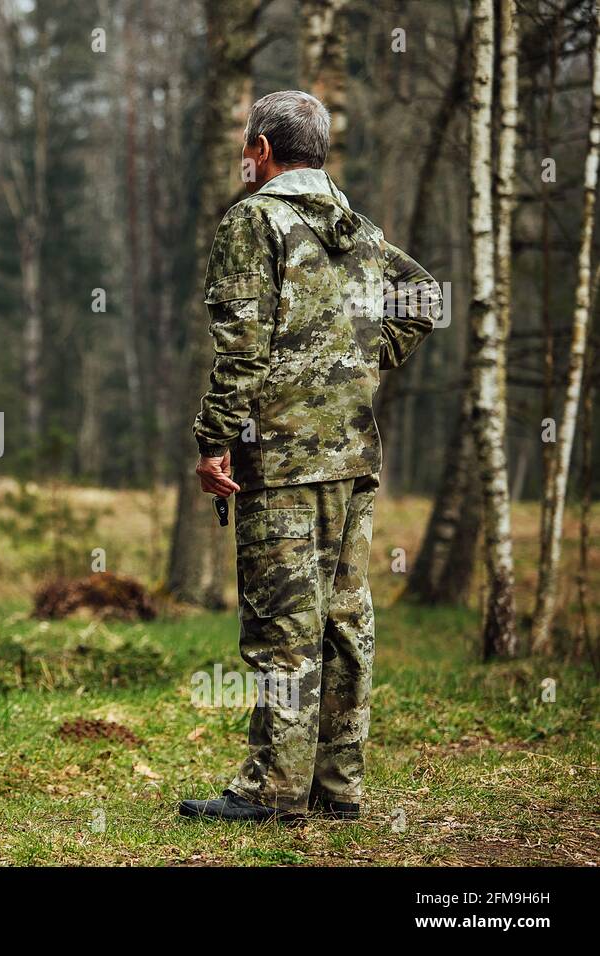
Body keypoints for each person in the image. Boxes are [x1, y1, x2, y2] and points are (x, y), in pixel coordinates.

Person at [180, 90, 442, 822]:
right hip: (353, 458)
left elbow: (240, 347)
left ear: (263, 149)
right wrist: (357, 362)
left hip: (283, 462)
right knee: (344, 625)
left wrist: (214, 441)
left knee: (282, 629)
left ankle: (271, 791)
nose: (243, 154)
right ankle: (338, 788)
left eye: (246, 143)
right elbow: (424, 296)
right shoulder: (356, 228)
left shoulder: (253, 220)